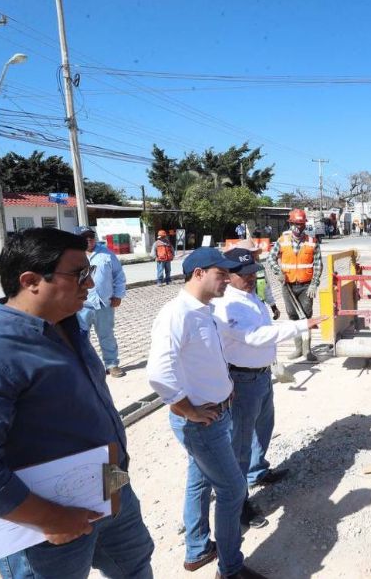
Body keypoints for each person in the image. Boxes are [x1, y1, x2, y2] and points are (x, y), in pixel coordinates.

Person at [0, 228, 153, 578]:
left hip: (111, 486)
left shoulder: (68, 324)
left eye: (90, 273)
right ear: (32, 280)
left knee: (135, 567)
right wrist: (51, 519)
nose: (90, 285)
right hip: (45, 526)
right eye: (80, 275)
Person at [146, 248, 268, 579]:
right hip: (202, 422)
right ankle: (230, 568)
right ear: (199, 273)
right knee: (231, 490)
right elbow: (159, 372)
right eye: (221, 273)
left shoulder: (206, 310)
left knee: (199, 478)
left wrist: (224, 387)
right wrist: (187, 409)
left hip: (215, 414)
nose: (228, 279)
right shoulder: (177, 314)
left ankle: (197, 549)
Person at [213, 248, 325, 491]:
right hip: (242, 379)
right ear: (229, 275)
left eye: (253, 272)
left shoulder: (250, 296)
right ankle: (238, 499)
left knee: (263, 427)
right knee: (240, 441)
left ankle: (257, 471)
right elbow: (256, 336)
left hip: (261, 375)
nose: (251, 277)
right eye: (245, 274)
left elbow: (268, 325)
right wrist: (300, 325)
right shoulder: (228, 304)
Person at [269, 209, 323, 361]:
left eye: (301, 225)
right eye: (296, 224)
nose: (298, 228)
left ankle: (307, 351)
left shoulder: (312, 242)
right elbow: (271, 259)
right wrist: (277, 271)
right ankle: (298, 348)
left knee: (306, 317)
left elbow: (318, 265)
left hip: (306, 286)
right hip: (288, 286)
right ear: (290, 224)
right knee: (293, 316)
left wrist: (314, 284)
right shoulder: (282, 241)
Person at [76, 226, 127, 378]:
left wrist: (118, 295)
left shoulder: (107, 254)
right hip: (81, 305)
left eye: (91, 236)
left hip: (104, 303)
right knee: (81, 337)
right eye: (84, 236)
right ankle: (85, 367)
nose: (89, 239)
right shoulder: (73, 255)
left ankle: (112, 365)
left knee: (107, 335)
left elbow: (118, 275)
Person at [235, 238, 282, 320]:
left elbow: (265, 287)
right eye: (250, 253)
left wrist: (273, 306)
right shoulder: (233, 271)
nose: (254, 255)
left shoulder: (259, 268)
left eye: (254, 253)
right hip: (241, 307)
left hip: (259, 304)